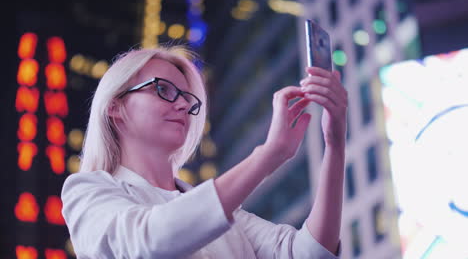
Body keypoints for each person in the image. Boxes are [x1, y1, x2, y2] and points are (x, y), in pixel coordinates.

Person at [61, 45, 348, 258]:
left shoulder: (228, 215)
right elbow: (149, 241)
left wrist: (335, 145)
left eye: (187, 97)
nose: (184, 105)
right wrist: (268, 155)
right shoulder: (88, 191)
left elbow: (308, 253)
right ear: (115, 106)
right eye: (163, 89)